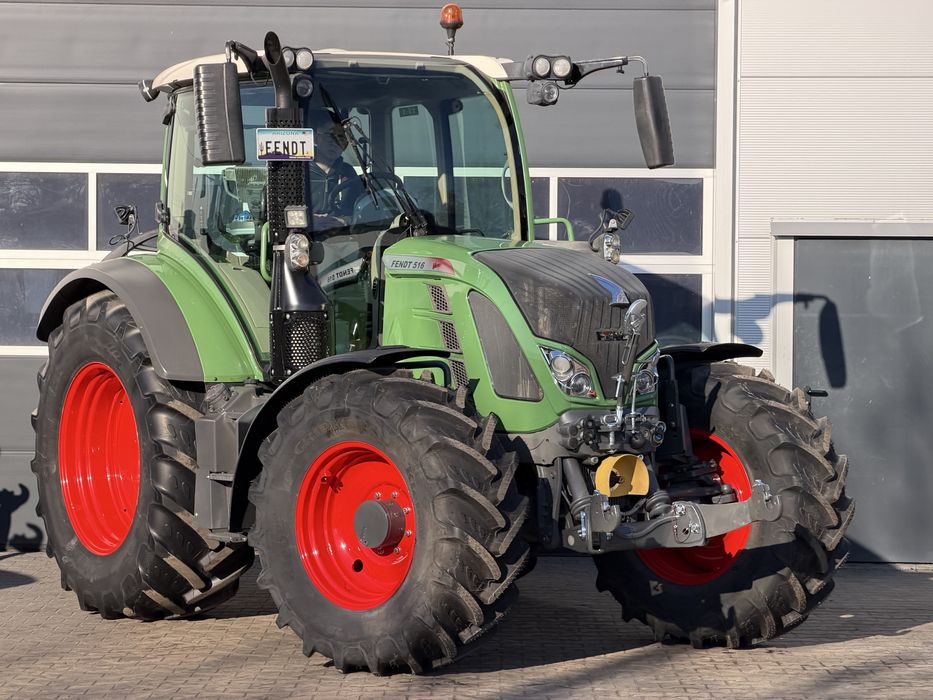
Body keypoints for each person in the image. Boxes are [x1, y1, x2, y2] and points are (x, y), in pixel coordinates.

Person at [307, 110, 364, 225]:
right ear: (315, 137)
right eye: (330, 135)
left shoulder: (348, 173)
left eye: (341, 137)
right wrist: (308, 219)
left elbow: (358, 211)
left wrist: (342, 221)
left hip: (339, 236)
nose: (336, 142)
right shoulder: (298, 171)